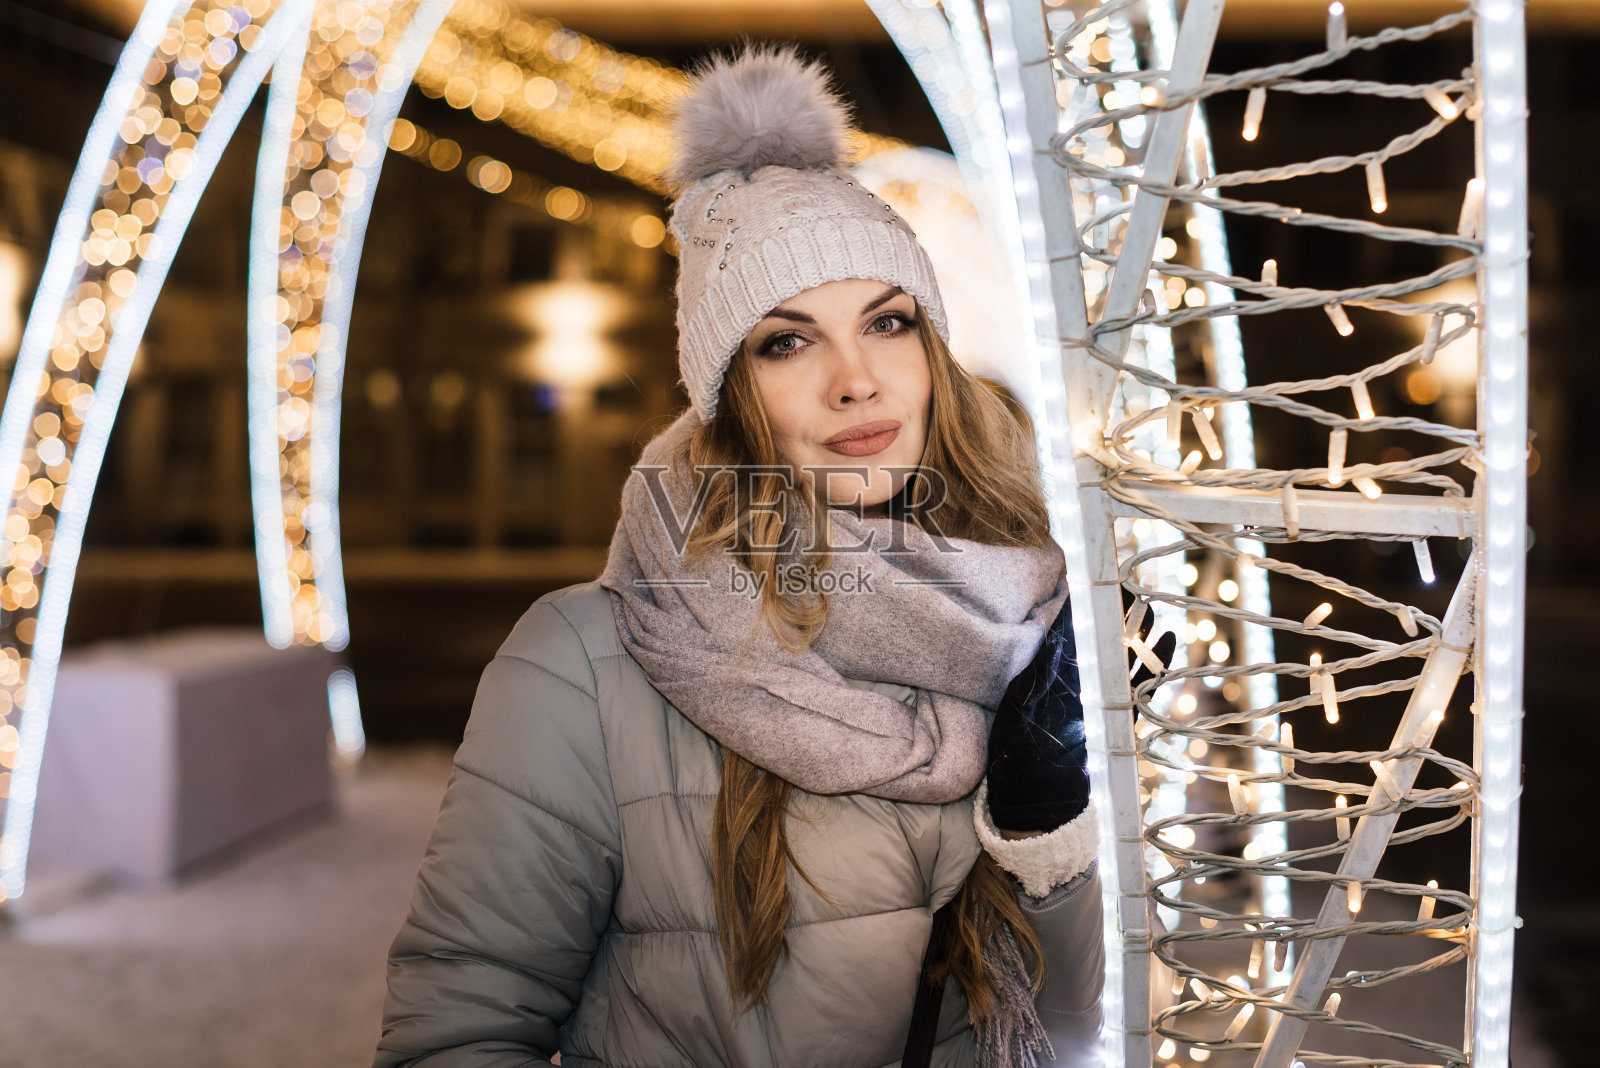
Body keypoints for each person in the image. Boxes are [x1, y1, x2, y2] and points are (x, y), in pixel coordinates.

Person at [375, 47, 1113, 1068]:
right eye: (786, 341)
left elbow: (1067, 1037)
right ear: (728, 395)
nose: (855, 380)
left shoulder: (1029, 626)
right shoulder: (583, 661)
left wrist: (1048, 832)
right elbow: (457, 1033)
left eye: (886, 322)